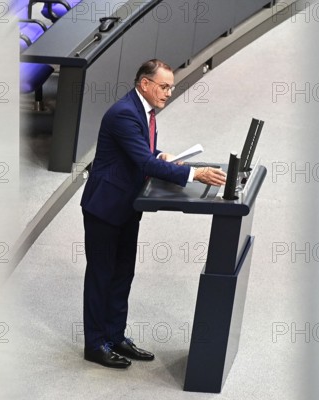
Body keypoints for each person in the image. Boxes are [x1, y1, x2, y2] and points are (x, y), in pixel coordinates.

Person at [80, 59, 226, 368]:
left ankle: (115, 336)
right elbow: (144, 164)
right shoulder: (123, 114)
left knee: (122, 275)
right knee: (101, 277)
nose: (169, 92)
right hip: (105, 207)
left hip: (128, 205)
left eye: (171, 87)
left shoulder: (145, 111)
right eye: (164, 86)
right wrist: (193, 173)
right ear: (145, 84)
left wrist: (163, 156)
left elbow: (143, 155)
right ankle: (95, 345)